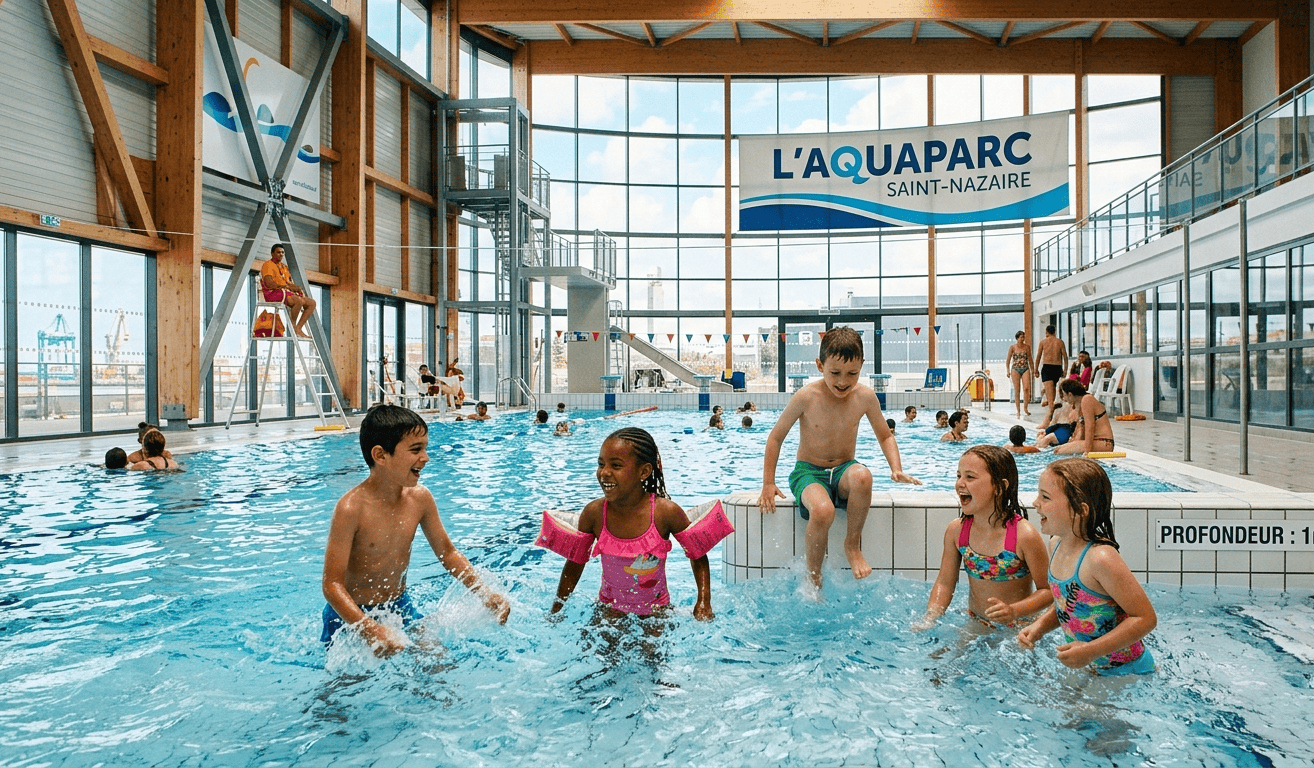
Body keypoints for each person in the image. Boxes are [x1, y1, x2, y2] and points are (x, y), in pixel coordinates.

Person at [321, 404, 510, 655]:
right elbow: (332, 584)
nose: (426, 457)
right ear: (380, 455)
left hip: (399, 607)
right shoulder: (351, 509)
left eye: (425, 448)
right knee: (353, 678)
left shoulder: (420, 499)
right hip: (350, 616)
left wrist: (484, 593)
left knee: (440, 661)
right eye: (415, 449)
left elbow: (448, 553)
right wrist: (370, 629)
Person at [758, 326, 921, 590]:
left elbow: (885, 436)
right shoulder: (806, 397)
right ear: (819, 365)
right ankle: (813, 576)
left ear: (862, 366)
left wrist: (896, 468)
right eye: (835, 373)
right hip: (808, 473)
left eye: (852, 374)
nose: (843, 381)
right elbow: (776, 437)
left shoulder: (865, 397)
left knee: (863, 476)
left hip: (844, 470)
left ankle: (852, 545)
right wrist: (768, 482)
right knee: (823, 511)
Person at [549, 427, 713, 621]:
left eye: (616, 465)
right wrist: (557, 607)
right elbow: (575, 563)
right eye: (601, 464)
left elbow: (697, 554)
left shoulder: (665, 513)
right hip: (608, 610)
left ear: (644, 471)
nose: (604, 472)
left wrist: (704, 601)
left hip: (655, 613)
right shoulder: (594, 513)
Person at [1018, 458, 1156, 675]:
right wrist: (1040, 626)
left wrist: (1091, 651)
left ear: (1080, 510)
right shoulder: (1056, 544)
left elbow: (1146, 618)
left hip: (1128, 671)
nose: (1036, 503)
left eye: (1045, 497)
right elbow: (1068, 602)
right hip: (1091, 665)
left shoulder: (1100, 558)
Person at [915, 446, 1050, 630]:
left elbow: (1048, 590)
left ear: (1000, 487)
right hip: (976, 622)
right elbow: (945, 583)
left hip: (1017, 627)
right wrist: (930, 618)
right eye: (958, 476)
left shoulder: (1023, 535)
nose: (960, 483)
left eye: (970, 477)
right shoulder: (957, 531)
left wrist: (1014, 610)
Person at [259, 243, 317, 338]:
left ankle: (298, 328)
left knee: (311, 303)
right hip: (273, 293)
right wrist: (287, 287)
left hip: (285, 292)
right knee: (299, 301)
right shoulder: (267, 265)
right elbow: (269, 283)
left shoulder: (284, 267)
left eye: (282, 252)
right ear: (272, 253)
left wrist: (296, 288)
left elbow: (288, 283)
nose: (281, 254)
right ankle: (293, 326)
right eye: (278, 252)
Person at [1054, 379, 1115, 455]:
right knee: (1058, 450)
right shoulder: (1080, 404)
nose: (1063, 398)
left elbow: (1090, 426)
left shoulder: (1087, 399)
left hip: (1104, 442)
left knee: (1060, 452)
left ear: (1070, 394)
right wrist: (1074, 443)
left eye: (1063, 395)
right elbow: (1082, 430)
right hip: (1097, 441)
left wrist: (1087, 451)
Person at [1034, 324, 1069, 409]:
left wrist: (1036, 369)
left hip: (1047, 367)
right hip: (1057, 368)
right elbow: (1065, 357)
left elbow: (1038, 357)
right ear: (1054, 332)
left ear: (1046, 332)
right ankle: (1051, 404)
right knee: (1052, 389)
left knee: (1049, 390)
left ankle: (1050, 409)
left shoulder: (1043, 342)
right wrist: (1065, 370)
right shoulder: (1060, 342)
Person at [1006, 330, 1034, 418]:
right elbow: (1008, 360)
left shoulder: (1027, 347)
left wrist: (1033, 370)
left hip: (1025, 368)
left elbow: (1030, 359)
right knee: (1017, 390)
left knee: (1026, 389)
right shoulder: (1012, 347)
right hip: (1015, 369)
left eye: (1023, 337)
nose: (1022, 339)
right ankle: (1018, 410)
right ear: (1017, 338)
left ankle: (1025, 408)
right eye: (1021, 337)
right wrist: (1008, 370)